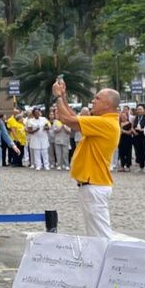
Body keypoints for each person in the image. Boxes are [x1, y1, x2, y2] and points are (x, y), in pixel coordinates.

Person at [52, 79, 121, 238]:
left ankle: (107, 254)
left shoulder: (105, 122)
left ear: (107, 105)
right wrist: (63, 96)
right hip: (93, 184)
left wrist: (58, 97)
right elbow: (73, 117)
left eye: (97, 98)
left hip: (94, 184)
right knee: (96, 234)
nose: (93, 101)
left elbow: (67, 120)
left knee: (101, 236)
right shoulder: (105, 121)